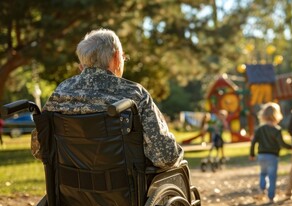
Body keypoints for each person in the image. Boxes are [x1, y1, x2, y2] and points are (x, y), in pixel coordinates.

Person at [31, 28, 182, 168]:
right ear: (116, 58)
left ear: (82, 65)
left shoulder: (60, 94)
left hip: (71, 190)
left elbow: (39, 149)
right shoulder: (134, 95)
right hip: (123, 191)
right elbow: (165, 157)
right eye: (124, 57)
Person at [249, 102, 292, 203]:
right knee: (272, 177)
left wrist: (252, 154)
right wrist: (291, 147)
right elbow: (281, 143)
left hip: (261, 155)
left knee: (263, 173)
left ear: (263, 115)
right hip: (273, 156)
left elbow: (253, 142)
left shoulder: (259, 129)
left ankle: (262, 187)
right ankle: (271, 197)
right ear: (277, 114)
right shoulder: (277, 130)